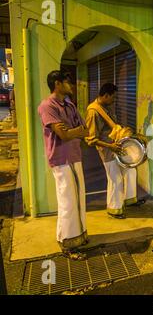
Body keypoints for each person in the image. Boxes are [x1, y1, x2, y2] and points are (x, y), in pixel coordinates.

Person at [37, 70, 89, 260]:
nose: (72, 86)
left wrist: (72, 131)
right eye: (68, 82)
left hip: (75, 155)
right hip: (60, 158)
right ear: (58, 84)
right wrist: (75, 131)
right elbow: (63, 134)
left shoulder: (70, 105)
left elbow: (85, 130)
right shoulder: (47, 106)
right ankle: (67, 242)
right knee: (67, 201)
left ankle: (79, 237)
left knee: (78, 198)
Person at [85, 83, 145, 219]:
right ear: (106, 95)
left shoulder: (106, 107)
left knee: (130, 170)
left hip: (118, 146)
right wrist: (110, 146)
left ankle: (130, 200)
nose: (114, 100)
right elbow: (90, 139)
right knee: (115, 178)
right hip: (108, 150)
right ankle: (114, 208)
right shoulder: (93, 112)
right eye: (113, 97)